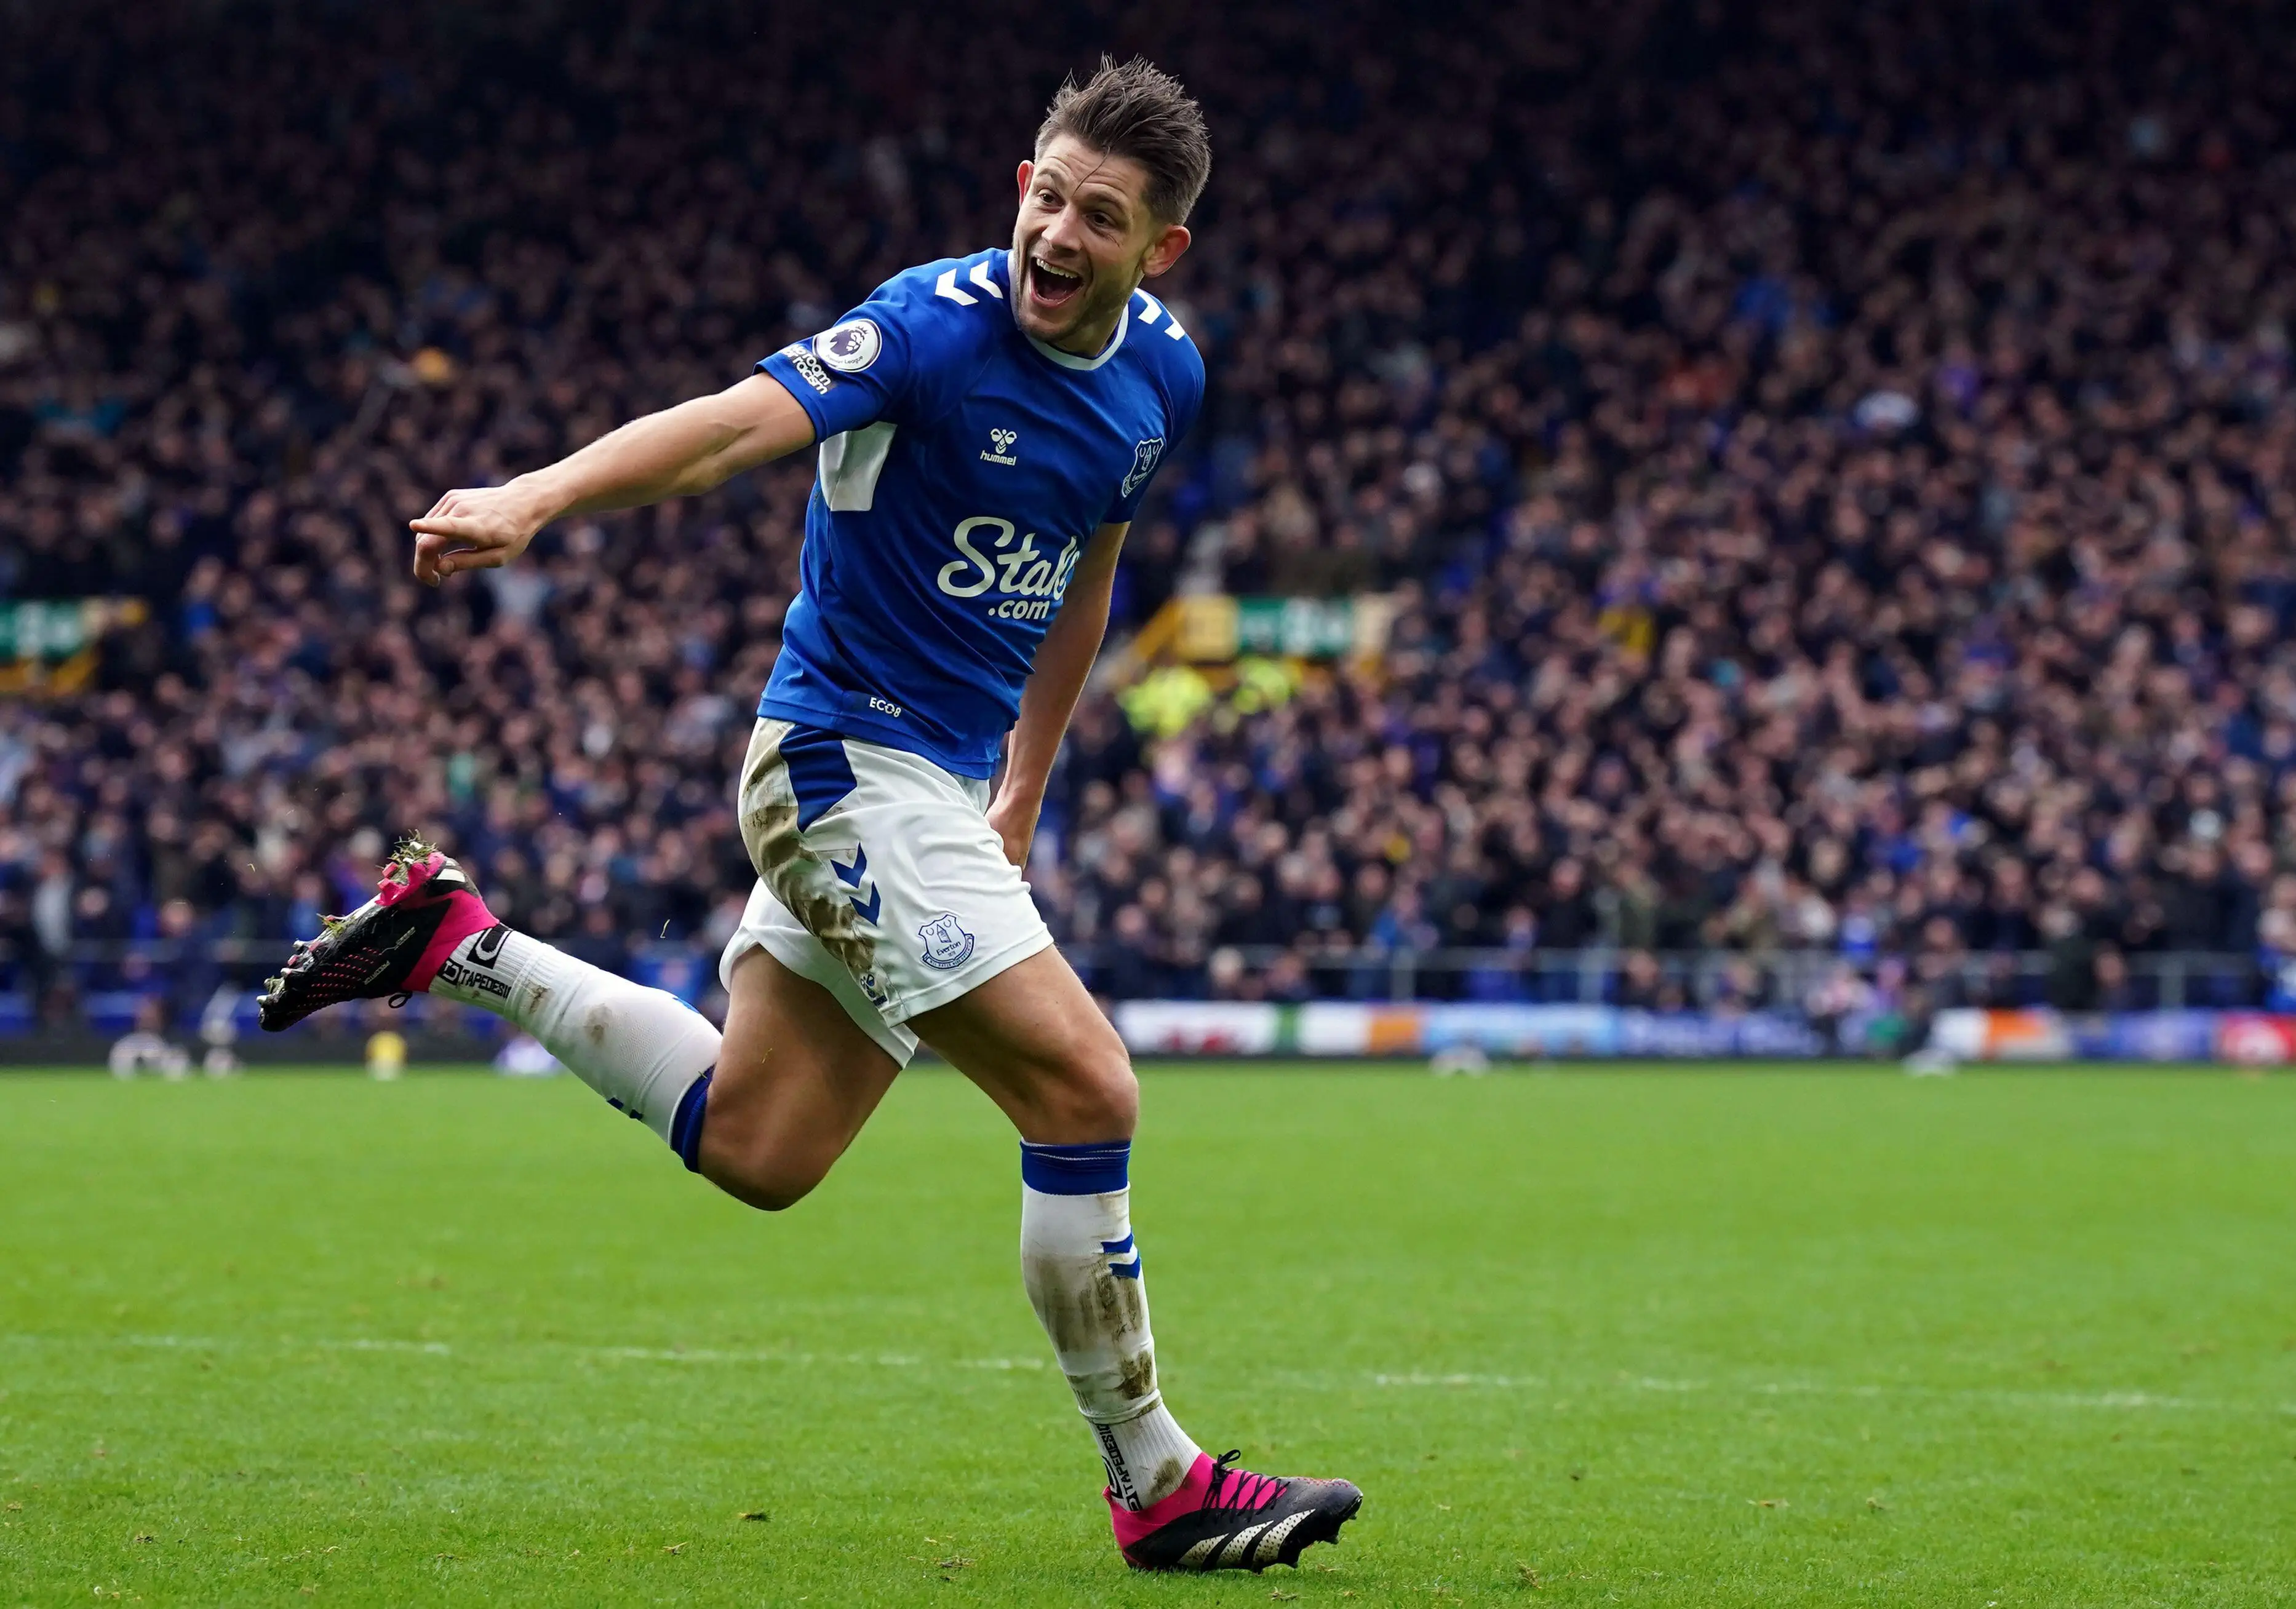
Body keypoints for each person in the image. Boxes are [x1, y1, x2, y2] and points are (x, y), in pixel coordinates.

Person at [255, 57, 1361, 1574]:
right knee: (1089, 1094)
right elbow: (721, 428)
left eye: (1098, 217)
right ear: (1019, 182)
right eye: (1046, 191)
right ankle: (1157, 1481)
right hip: (845, 763)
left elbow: (1086, 574)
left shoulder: (1161, 378)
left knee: (760, 1147)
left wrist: (1028, 778)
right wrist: (535, 498)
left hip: (937, 790)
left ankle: (458, 941)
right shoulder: (925, 328)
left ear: (1159, 249)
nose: (1054, 233)